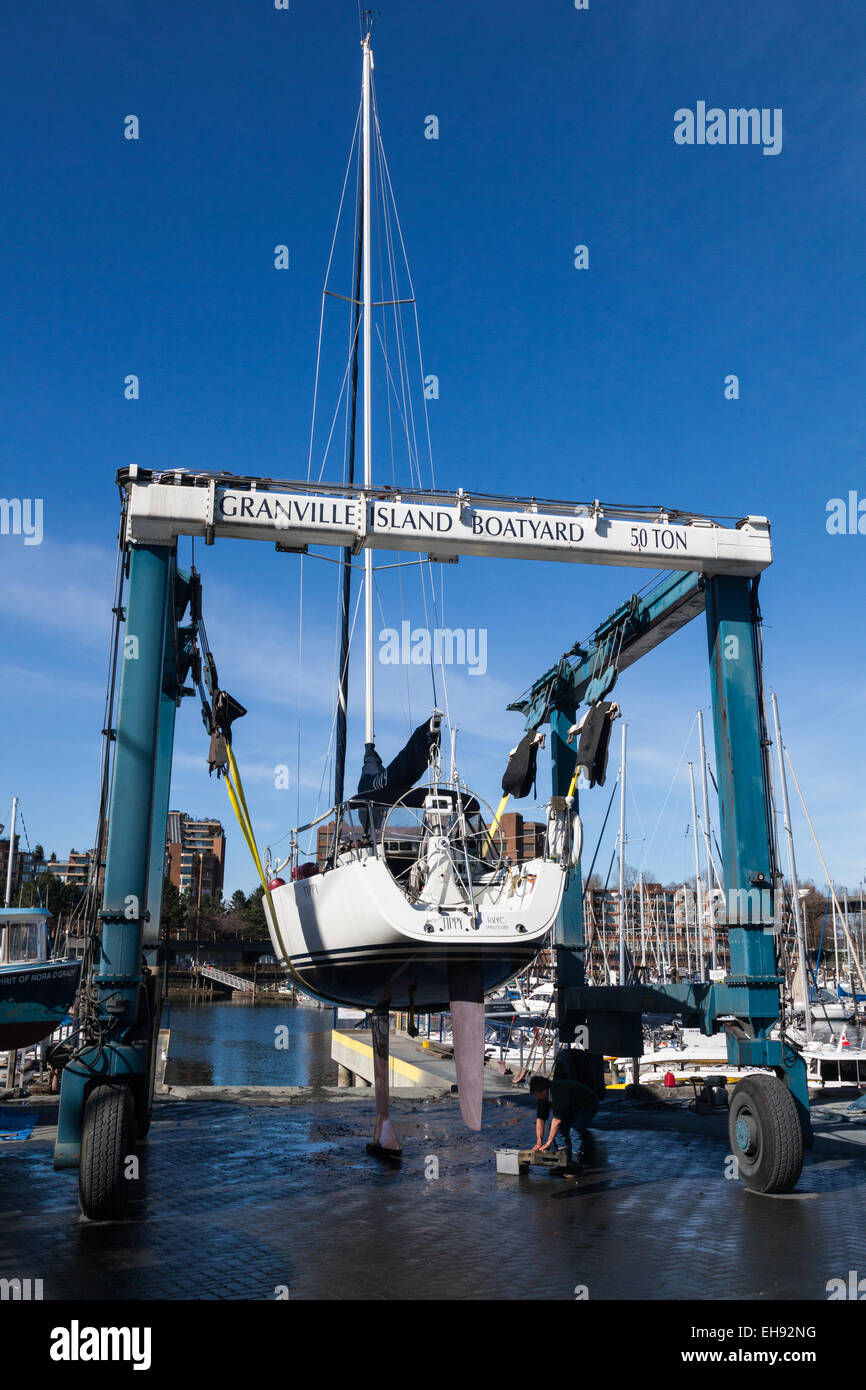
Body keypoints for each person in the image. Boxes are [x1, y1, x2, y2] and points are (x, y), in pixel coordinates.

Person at [529, 1073, 598, 1165]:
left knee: (575, 1130)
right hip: (571, 1106)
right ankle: (564, 1163)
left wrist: (548, 1142)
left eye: (535, 1095)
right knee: (557, 1131)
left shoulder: (558, 1092)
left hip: (587, 1104)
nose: (535, 1098)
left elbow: (557, 1121)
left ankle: (576, 1164)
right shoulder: (543, 1097)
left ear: (544, 1091)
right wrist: (539, 1141)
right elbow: (540, 1119)